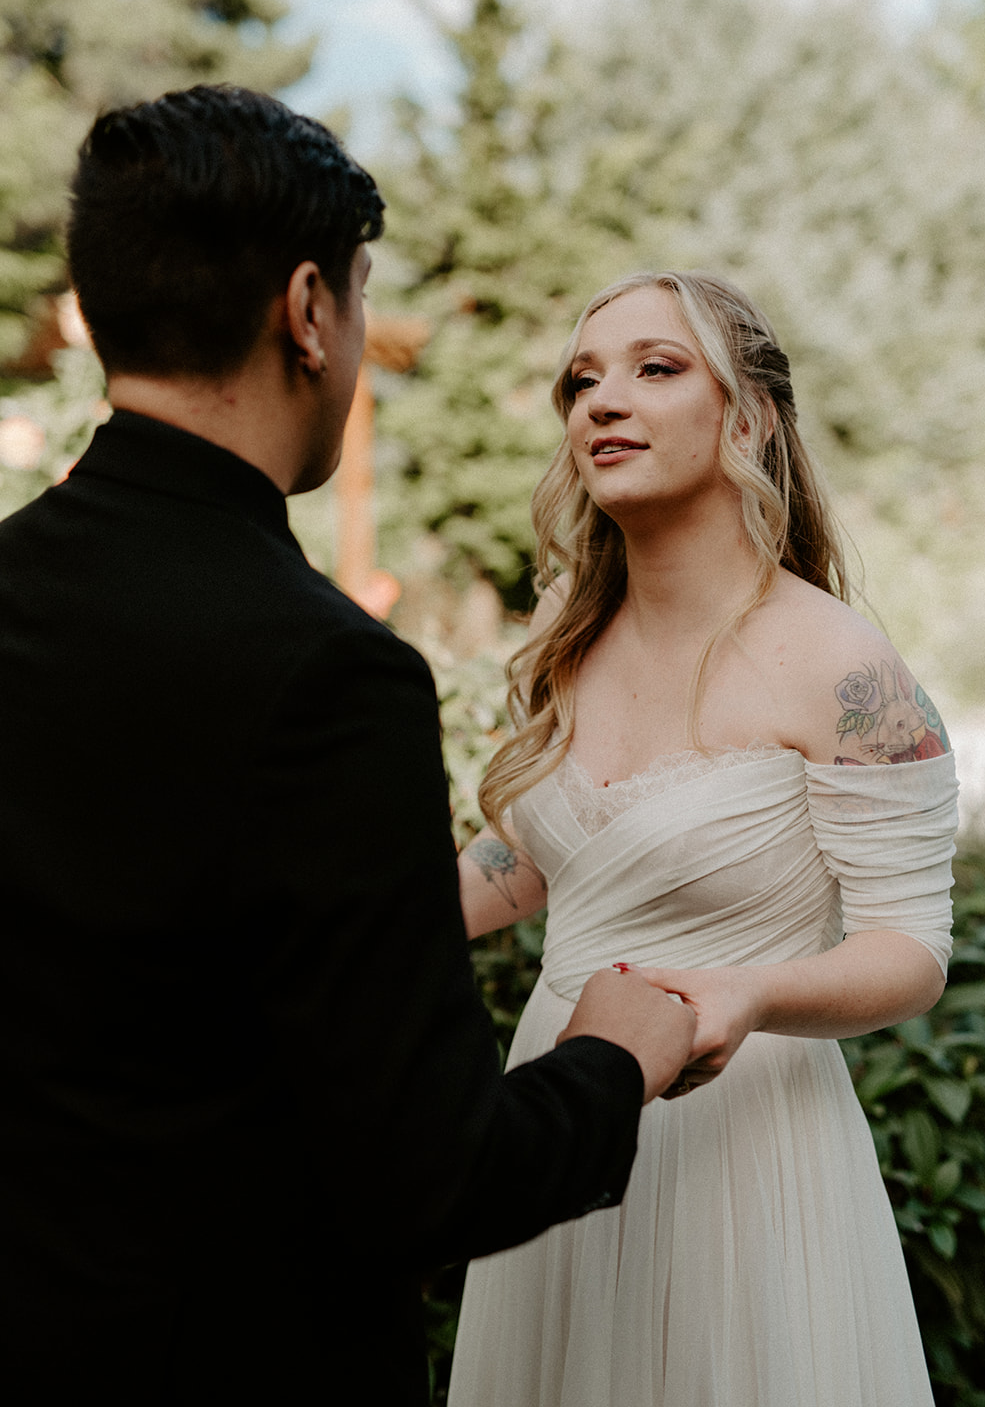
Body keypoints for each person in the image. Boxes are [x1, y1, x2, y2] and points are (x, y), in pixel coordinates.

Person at [0, 87, 697, 1406]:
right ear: (309, 311)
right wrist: (617, 1058)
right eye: (365, 300)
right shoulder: (328, 674)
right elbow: (431, 1176)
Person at [449, 270, 957, 1407]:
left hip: (745, 1144)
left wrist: (747, 997)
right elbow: (530, 860)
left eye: (654, 368)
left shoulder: (844, 668)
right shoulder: (564, 639)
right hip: (560, 1112)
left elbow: (912, 947)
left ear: (750, 416)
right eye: (583, 379)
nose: (600, 402)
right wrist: (362, 922)